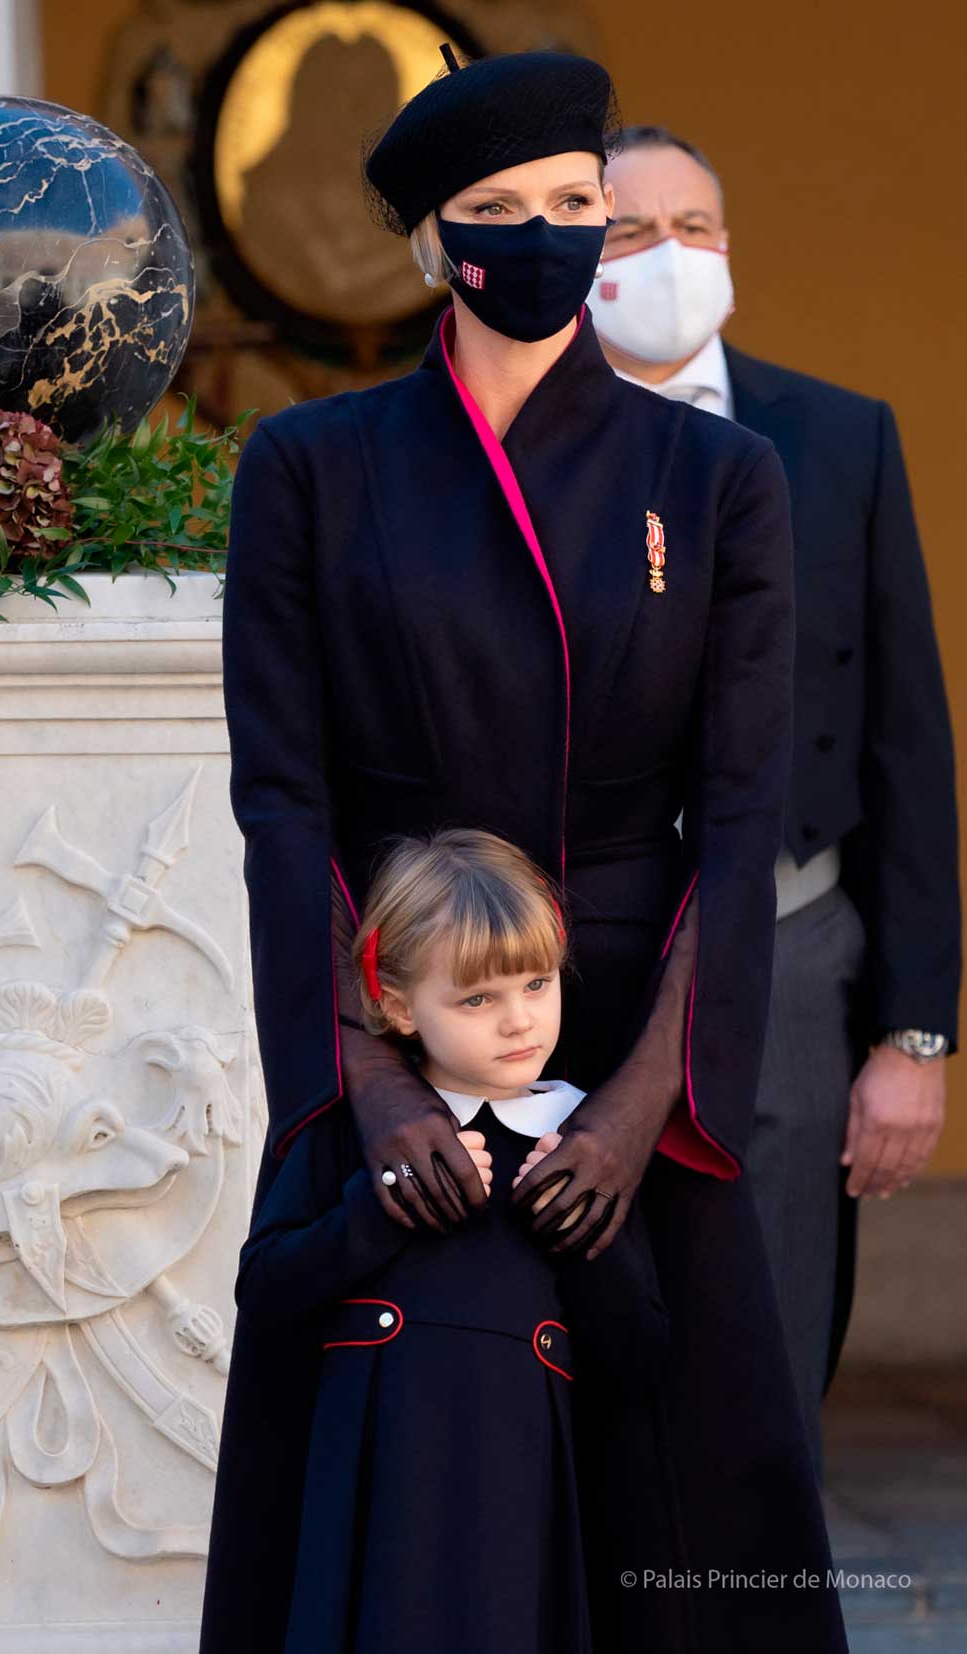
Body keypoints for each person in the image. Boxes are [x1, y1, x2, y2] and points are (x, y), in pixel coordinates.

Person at [202, 47, 849, 1653]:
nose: (551, 235)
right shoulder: (311, 468)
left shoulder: (716, 478)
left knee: (683, 1512)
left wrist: (638, 1111)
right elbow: (283, 803)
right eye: (501, 209)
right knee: (403, 1499)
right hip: (400, 1026)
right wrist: (375, 1084)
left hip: (631, 1039)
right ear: (434, 242)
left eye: (578, 204)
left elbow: (743, 810)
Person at [589, 126, 961, 1478]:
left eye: (698, 226)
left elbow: (905, 748)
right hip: (575, 954)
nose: (671, 256)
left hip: (797, 957)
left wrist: (912, 1035)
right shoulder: (501, 442)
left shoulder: (842, 436)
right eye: (629, 233)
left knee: (768, 1363)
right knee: (579, 1364)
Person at [234, 826, 683, 1651]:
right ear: (400, 1006)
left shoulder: (584, 1143)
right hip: (377, 1485)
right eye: (477, 999)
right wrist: (373, 1212)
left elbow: (640, 1350)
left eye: (536, 984)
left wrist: (579, 1229)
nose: (519, 1022)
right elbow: (265, 1291)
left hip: (522, 1493)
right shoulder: (352, 1132)